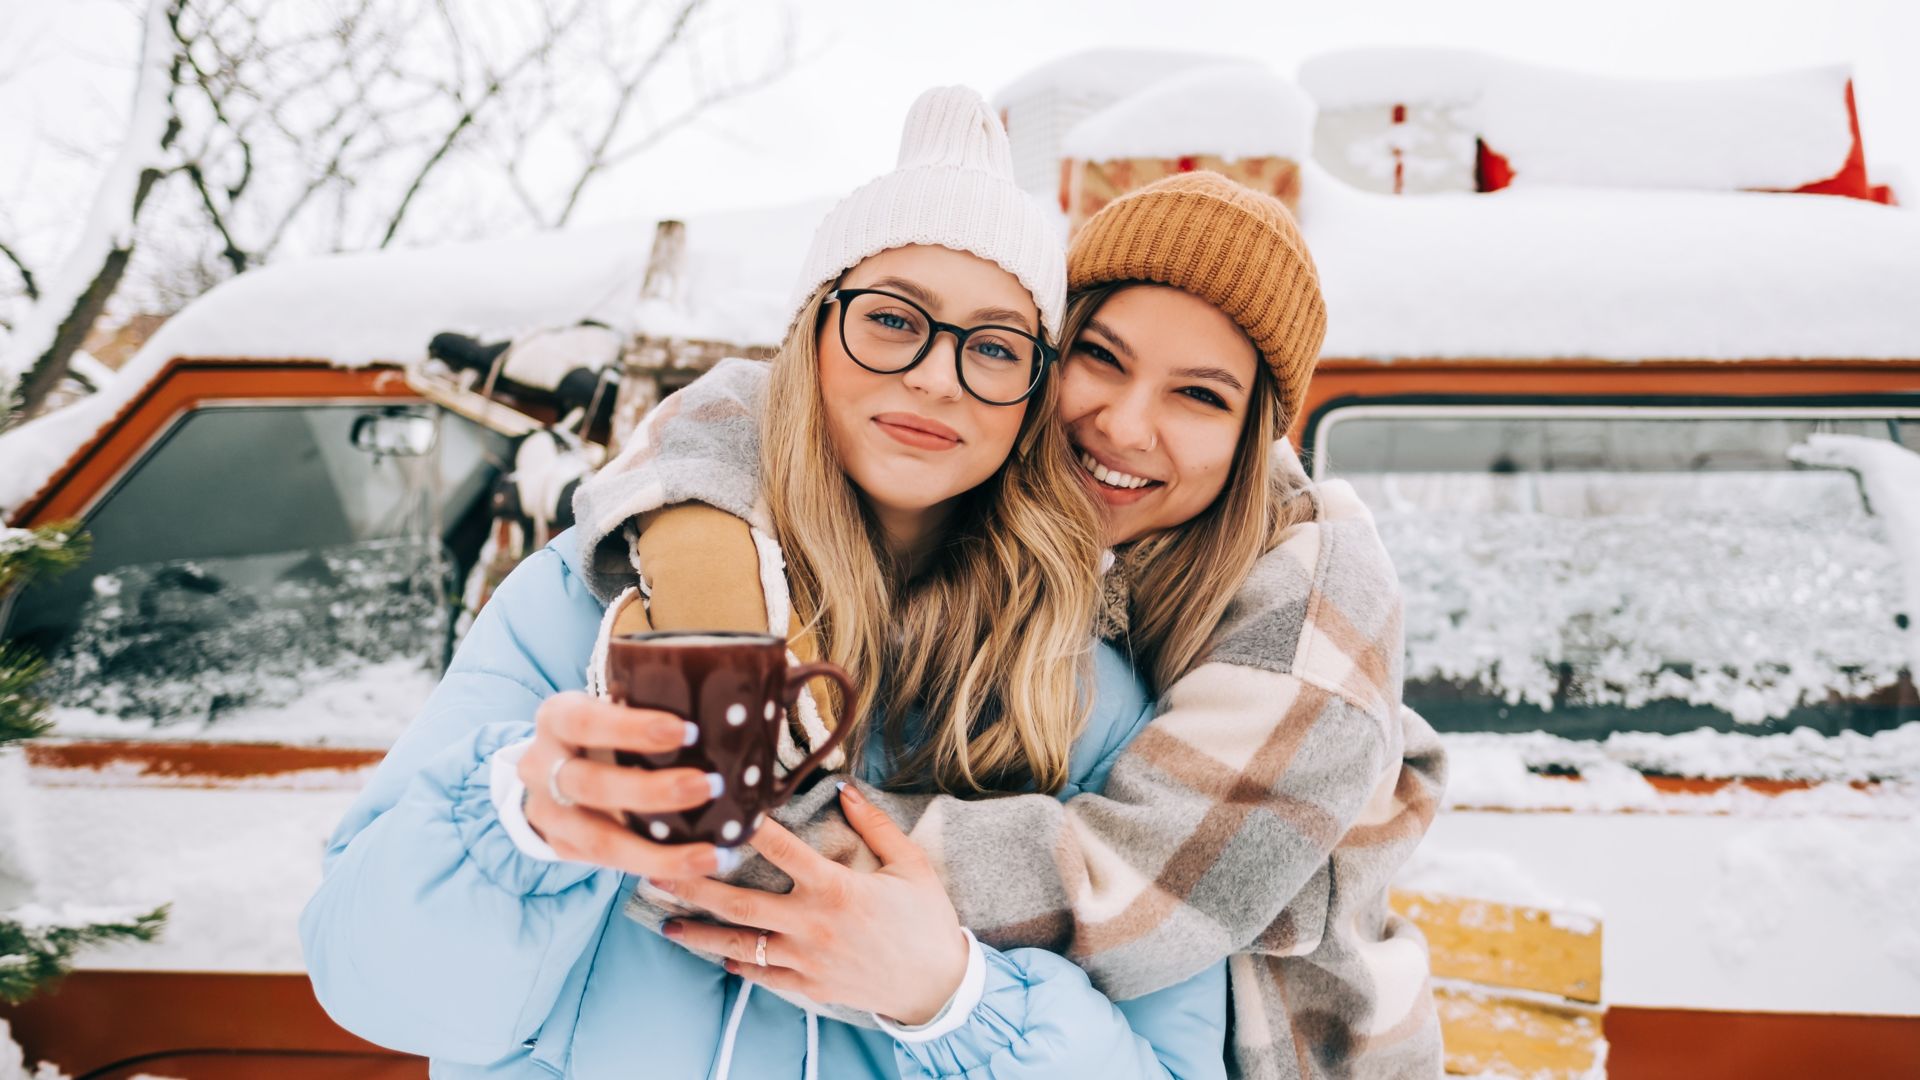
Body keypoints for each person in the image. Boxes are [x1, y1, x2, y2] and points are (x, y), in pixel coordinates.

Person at [301, 85, 1227, 1080]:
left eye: (996, 347)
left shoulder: (1085, 695)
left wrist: (950, 999)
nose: (935, 376)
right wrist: (520, 825)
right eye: (892, 319)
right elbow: (378, 991)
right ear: (810, 332)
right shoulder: (584, 606)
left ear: (1033, 394)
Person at [585, 170, 1448, 1078]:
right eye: (1102, 358)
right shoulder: (1027, 509)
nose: (1124, 423)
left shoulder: (1310, 621)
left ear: (1255, 438)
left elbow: (1128, 895)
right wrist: (704, 555)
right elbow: (767, 408)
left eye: (1199, 396)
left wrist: (751, 837)